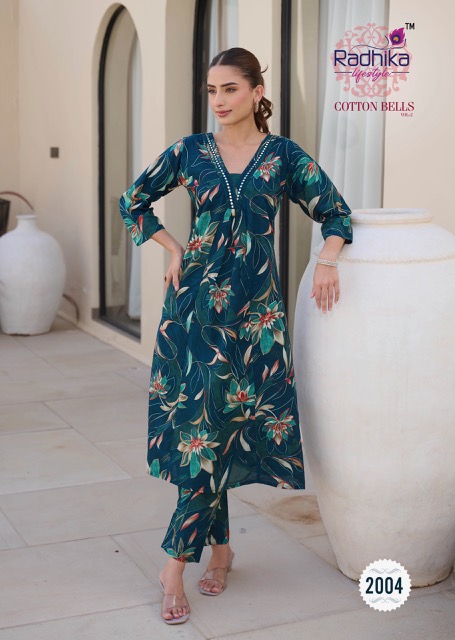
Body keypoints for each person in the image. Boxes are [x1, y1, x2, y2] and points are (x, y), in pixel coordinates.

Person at [119, 46, 353, 625]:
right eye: (212, 91)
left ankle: (221, 552)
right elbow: (133, 201)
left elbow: (336, 213)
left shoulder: (283, 157)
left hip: (254, 321)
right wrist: (172, 246)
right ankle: (174, 565)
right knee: (203, 435)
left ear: (256, 91)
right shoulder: (190, 152)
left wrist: (327, 261)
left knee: (221, 431)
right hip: (195, 314)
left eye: (229, 89)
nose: (218, 101)